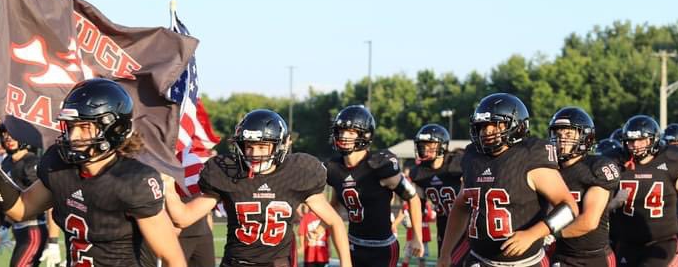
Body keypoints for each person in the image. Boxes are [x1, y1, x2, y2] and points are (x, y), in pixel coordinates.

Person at [0, 78, 186, 266]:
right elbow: (21, 209)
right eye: (71, 127)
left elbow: (173, 259)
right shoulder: (60, 165)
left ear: (115, 129)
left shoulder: (134, 180)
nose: (73, 137)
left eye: (84, 127)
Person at [163, 109, 351, 267]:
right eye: (249, 146)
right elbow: (184, 218)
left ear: (280, 146)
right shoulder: (229, 174)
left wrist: (347, 264)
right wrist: (169, 188)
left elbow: (334, 221)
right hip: (236, 262)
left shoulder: (297, 173)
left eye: (262, 147)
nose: (254, 154)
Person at [438, 93, 578, 267]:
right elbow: (461, 206)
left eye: (495, 125)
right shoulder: (473, 157)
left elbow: (569, 208)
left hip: (527, 262)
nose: (487, 131)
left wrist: (533, 234)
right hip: (479, 260)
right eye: (483, 126)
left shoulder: (529, 155)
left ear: (515, 125)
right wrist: (445, 252)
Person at [325, 105, 425, 266]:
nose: (343, 136)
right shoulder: (334, 168)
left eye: (351, 132)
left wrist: (417, 237)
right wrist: (320, 227)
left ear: (365, 135)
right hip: (352, 245)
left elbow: (413, 198)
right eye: (341, 131)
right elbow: (335, 204)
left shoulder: (379, 165)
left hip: (382, 249)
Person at [611, 115, 678, 266]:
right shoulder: (617, 163)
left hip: (661, 242)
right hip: (627, 244)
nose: (635, 145)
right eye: (631, 140)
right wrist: (614, 203)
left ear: (653, 139)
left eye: (641, 140)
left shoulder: (670, 161)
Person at [547, 107, 620, 266]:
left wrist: (547, 234)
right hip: (561, 255)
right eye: (558, 135)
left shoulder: (596, 167)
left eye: (568, 135)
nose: (561, 140)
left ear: (584, 137)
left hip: (593, 258)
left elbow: (589, 221)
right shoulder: (549, 169)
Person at [409, 124, 470, 264]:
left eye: (431, 145)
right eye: (423, 145)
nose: (425, 148)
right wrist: (416, 236)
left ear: (442, 145)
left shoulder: (457, 163)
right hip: (444, 227)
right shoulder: (420, 173)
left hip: (467, 225)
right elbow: (418, 205)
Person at [0, 123, 48, 267]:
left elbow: (48, 199)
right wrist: (5, 226)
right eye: (5, 134)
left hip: (33, 229)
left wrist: (54, 241)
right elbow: (12, 200)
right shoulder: (7, 162)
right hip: (18, 230)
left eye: (12, 134)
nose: (8, 138)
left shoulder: (31, 163)